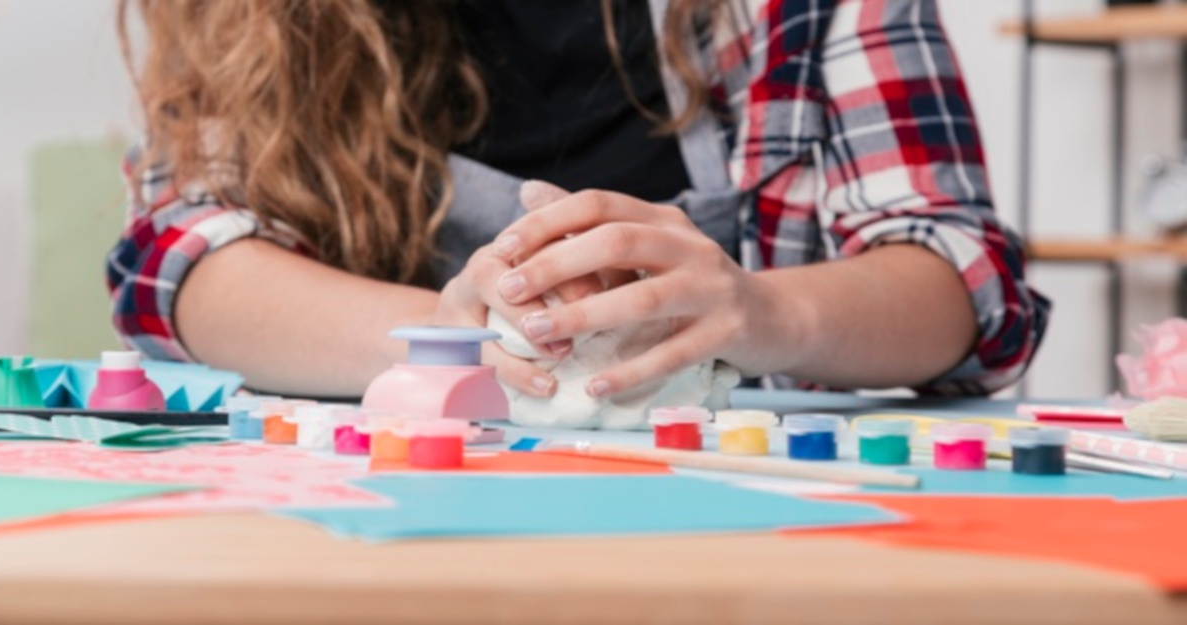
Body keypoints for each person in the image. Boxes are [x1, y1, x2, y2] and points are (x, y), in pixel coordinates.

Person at [109, 0, 1049, 401]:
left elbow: (963, 283)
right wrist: (451, 331)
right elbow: (178, 261)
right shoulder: (268, 22)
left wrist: (765, 311)